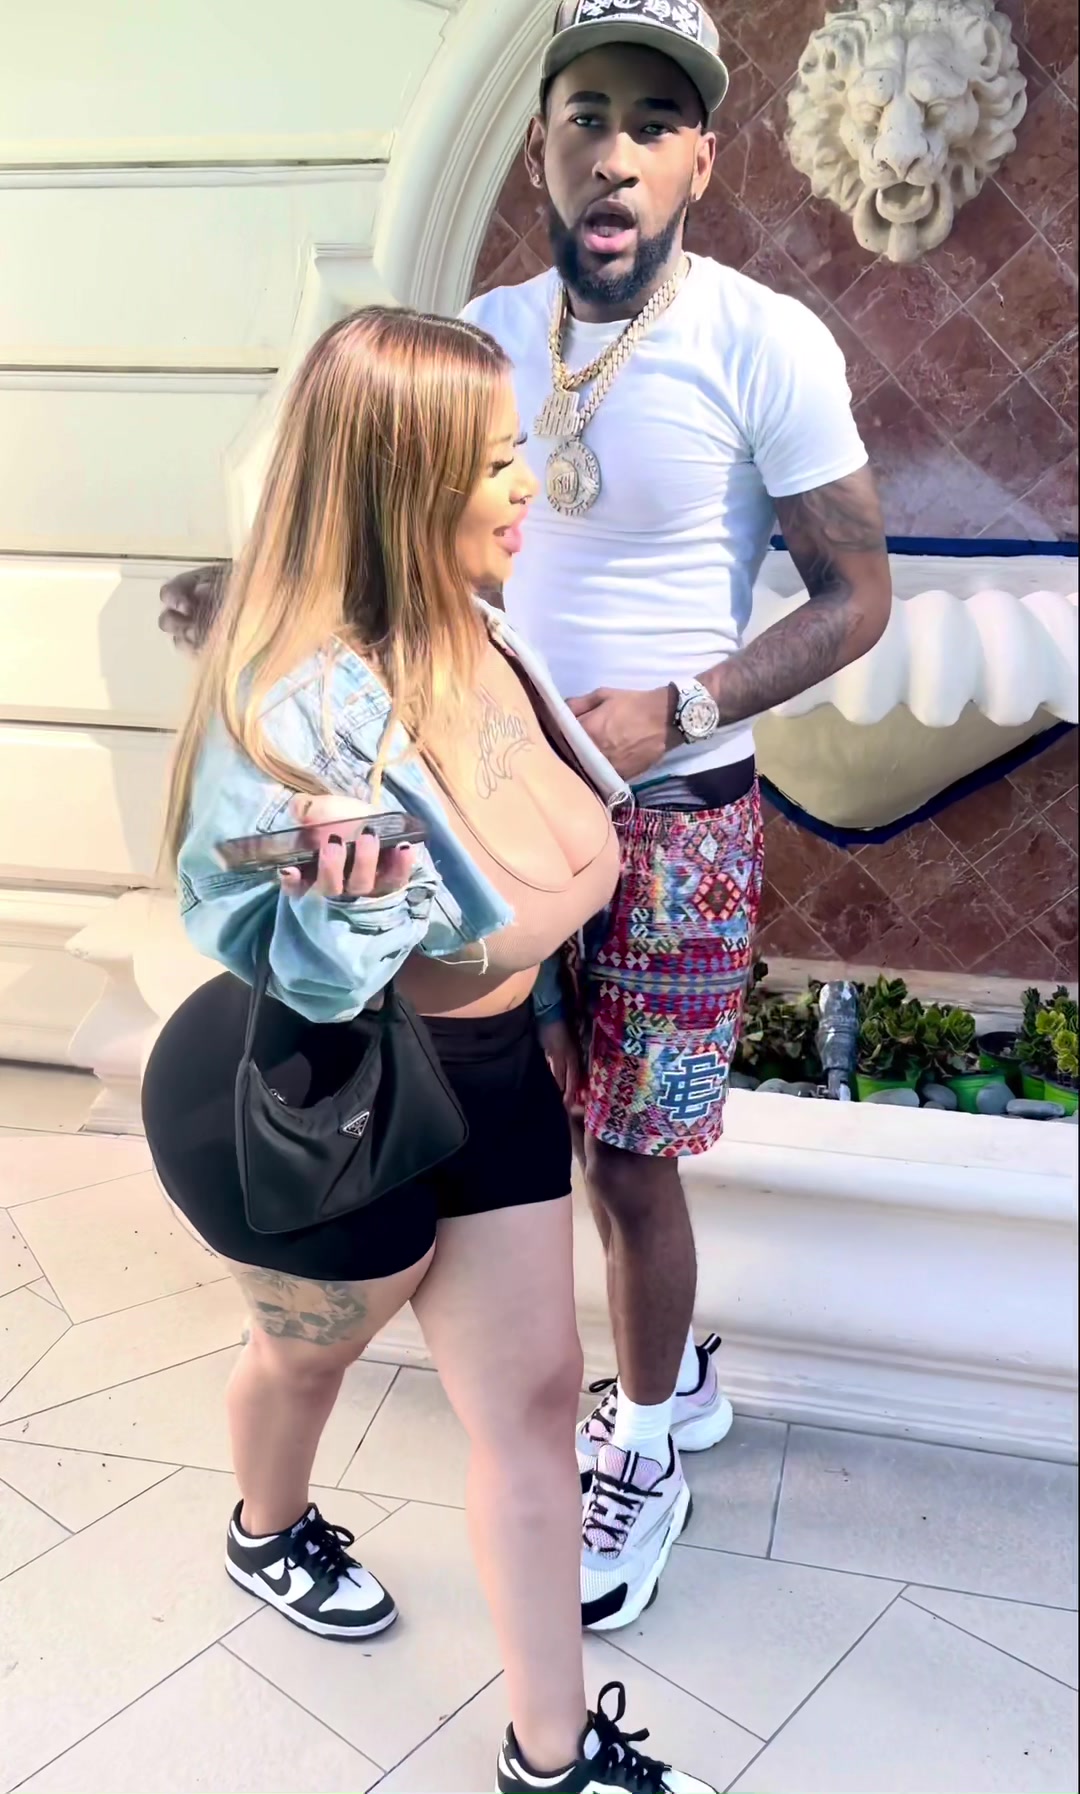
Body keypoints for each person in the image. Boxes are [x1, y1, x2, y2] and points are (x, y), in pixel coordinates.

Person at [160, 0, 893, 1631]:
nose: (615, 151)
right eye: (586, 116)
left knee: (632, 1158)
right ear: (541, 145)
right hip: (482, 808)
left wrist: (680, 706)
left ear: (704, 158)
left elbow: (860, 597)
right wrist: (263, 625)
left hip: (677, 818)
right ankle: (586, 1381)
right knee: (517, 1116)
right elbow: (368, 519)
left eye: (654, 120)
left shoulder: (765, 339)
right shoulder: (482, 334)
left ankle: (648, 1432)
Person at [144, 305, 716, 1793]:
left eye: (520, 448)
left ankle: (552, 1755)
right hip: (346, 1093)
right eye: (491, 462)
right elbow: (294, 951)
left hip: (495, 1072)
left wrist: (566, 1006)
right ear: (397, 481)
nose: (527, 488)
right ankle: (267, 1526)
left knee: (531, 1404)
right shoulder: (301, 712)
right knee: (304, 1357)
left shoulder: (480, 626)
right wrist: (342, 904)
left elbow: (543, 852)